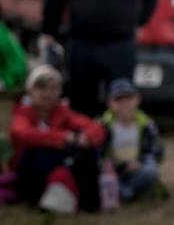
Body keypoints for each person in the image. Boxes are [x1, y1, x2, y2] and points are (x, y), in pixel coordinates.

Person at [11, 65, 106, 213]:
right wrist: (65, 137)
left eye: (53, 88)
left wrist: (86, 138)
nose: (48, 93)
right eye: (41, 87)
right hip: (31, 171)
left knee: (87, 153)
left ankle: (83, 200)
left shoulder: (63, 112)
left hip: (60, 163)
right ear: (30, 91)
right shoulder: (22, 113)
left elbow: (95, 128)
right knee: (41, 154)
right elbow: (24, 135)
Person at [100, 78, 164, 202]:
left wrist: (139, 162)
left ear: (137, 99)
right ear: (109, 102)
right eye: (118, 99)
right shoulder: (103, 125)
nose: (124, 103)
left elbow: (157, 150)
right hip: (113, 171)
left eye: (128, 97)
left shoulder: (147, 124)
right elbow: (96, 151)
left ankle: (128, 193)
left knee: (150, 170)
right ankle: (125, 193)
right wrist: (106, 163)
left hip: (136, 169)